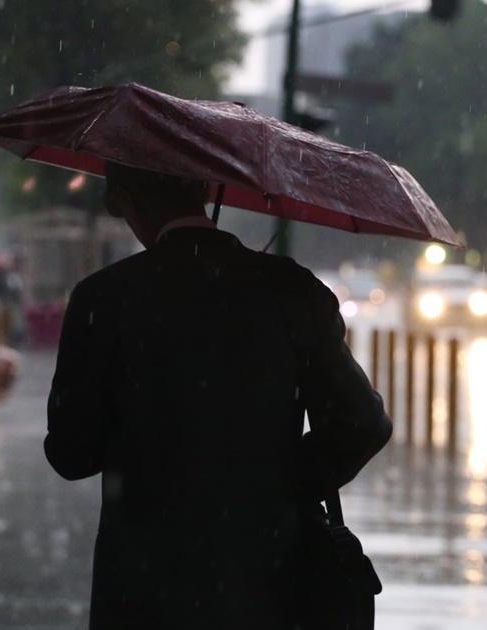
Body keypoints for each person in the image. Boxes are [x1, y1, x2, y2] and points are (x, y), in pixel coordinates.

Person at [44, 161, 392, 629]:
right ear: (207, 191)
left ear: (127, 200)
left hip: (142, 591)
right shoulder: (292, 290)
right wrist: (283, 483)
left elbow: (71, 453)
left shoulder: (103, 298)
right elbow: (362, 423)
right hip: (268, 582)